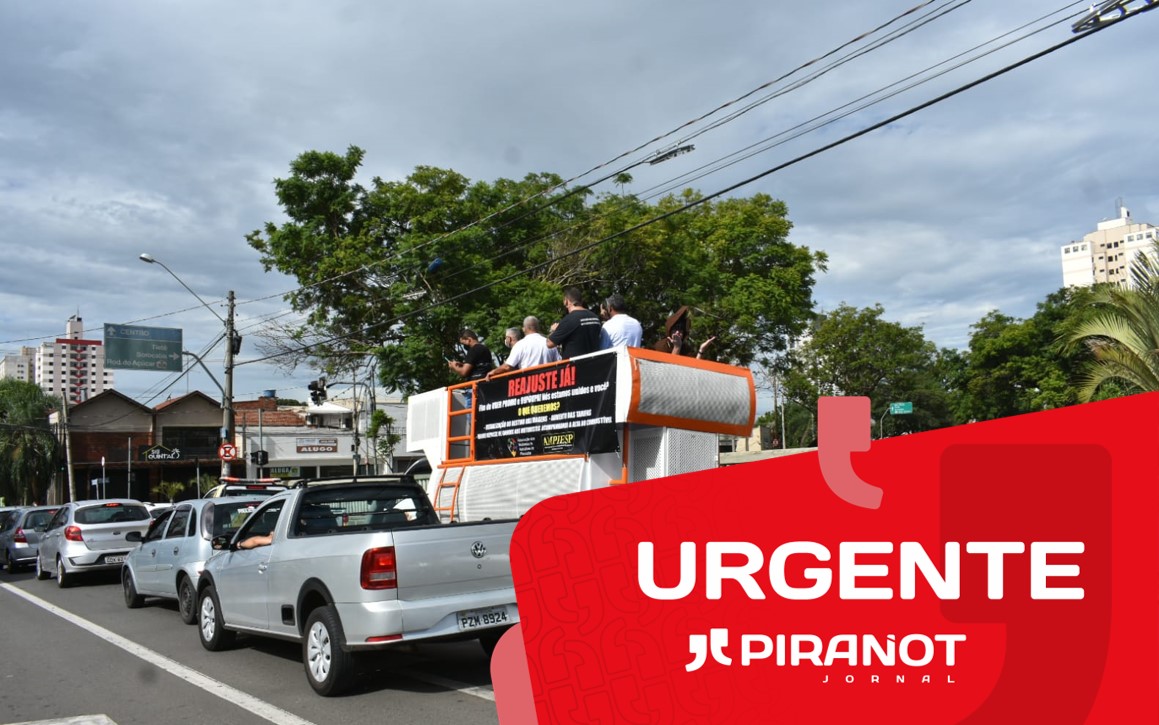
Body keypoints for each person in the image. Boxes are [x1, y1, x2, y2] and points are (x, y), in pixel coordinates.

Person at [487, 316, 561, 379]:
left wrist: (494, 372)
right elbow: (559, 363)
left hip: (528, 388)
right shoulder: (549, 343)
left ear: (524, 329)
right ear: (538, 327)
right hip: (548, 386)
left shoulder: (520, 345)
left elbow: (507, 367)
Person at [546, 287, 602, 358]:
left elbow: (549, 344)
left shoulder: (569, 320)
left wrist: (553, 330)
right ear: (581, 301)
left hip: (576, 367)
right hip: (596, 364)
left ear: (566, 301)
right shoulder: (595, 317)